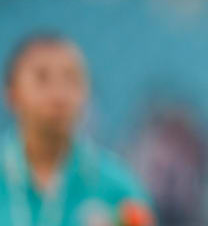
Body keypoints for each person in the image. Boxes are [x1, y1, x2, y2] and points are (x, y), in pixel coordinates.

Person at [1, 34, 154, 226]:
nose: (59, 94)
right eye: (42, 78)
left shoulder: (119, 190)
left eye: (72, 79)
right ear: (11, 92)